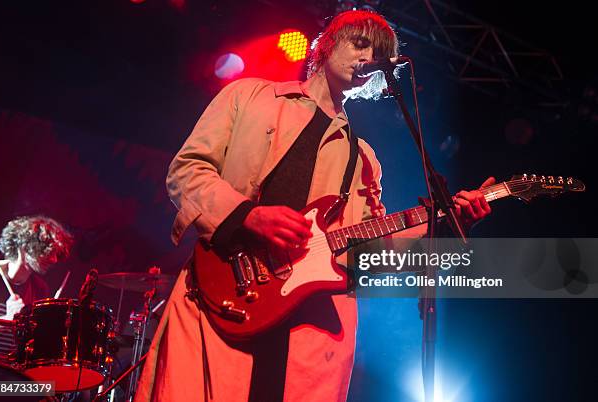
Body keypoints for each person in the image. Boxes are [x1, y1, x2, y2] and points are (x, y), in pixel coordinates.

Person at [136, 9, 492, 402]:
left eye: (378, 54)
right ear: (325, 45)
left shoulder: (365, 159)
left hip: (308, 332)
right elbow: (187, 171)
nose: (368, 58)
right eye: (360, 44)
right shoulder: (250, 95)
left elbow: (372, 254)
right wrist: (248, 216)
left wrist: (444, 223)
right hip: (223, 293)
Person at [0, 215, 73, 362]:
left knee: (47, 385)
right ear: (24, 247)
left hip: (10, 374)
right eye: (47, 251)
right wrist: (6, 320)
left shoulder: (40, 288)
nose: (54, 259)